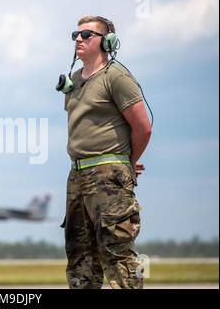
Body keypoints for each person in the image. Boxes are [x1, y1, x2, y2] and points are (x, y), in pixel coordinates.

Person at [61, 16, 152, 289]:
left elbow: (142, 127)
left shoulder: (116, 76)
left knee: (117, 253)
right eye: (76, 34)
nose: (79, 38)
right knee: (80, 256)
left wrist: (127, 163)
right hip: (77, 174)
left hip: (108, 175)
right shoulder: (75, 80)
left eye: (87, 34)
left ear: (107, 42)